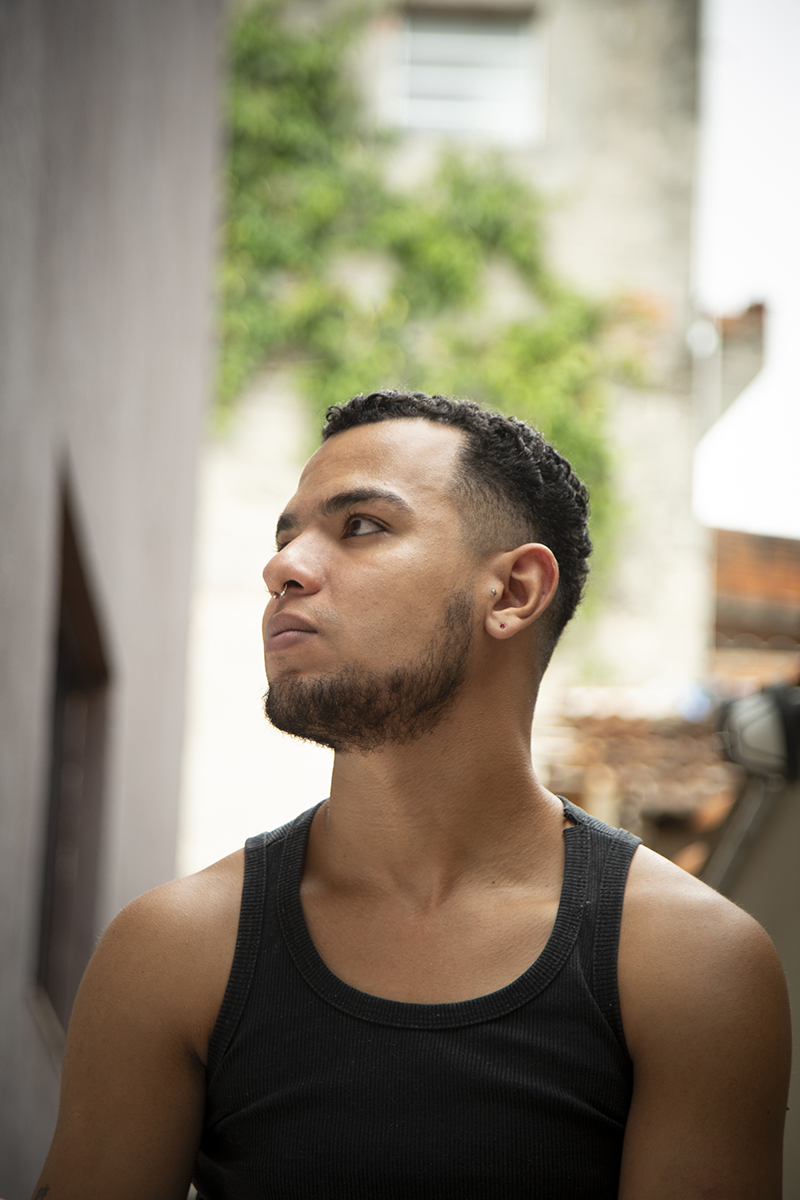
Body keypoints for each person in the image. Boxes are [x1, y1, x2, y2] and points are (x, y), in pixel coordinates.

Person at [35, 392, 790, 1199]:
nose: (282, 568)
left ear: (513, 592)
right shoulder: (171, 951)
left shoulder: (691, 964)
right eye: (286, 537)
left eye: (361, 526)